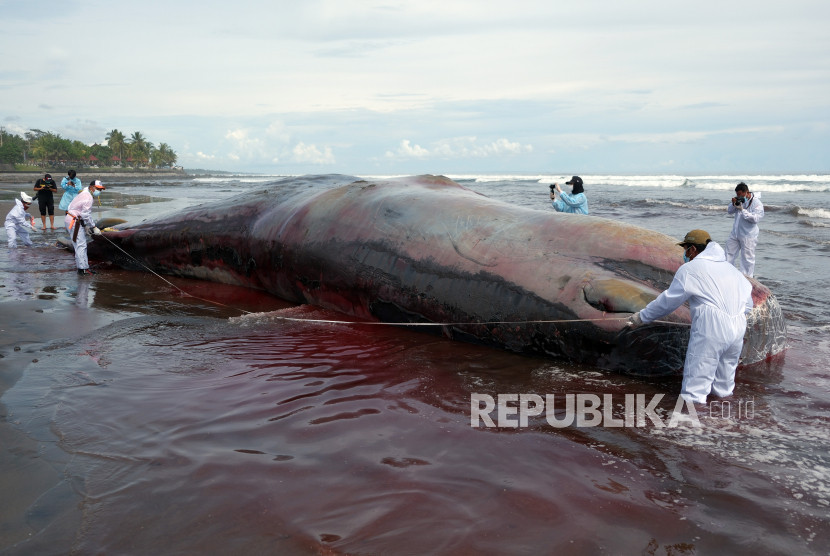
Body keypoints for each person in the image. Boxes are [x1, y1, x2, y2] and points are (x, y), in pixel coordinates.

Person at [627, 229, 753, 405]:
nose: (685, 254)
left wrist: (641, 317)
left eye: (685, 249)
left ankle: (691, 429)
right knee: (724, 385)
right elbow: (748, 305)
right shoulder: (733, 271)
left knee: (696, 388)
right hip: (738, 327)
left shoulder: (690, 269)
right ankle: (725, 426)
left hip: (712, 328)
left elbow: (668, 301)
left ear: (692, 249)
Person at [65, 180, 105, 275]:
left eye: (100, 189)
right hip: (74, 221)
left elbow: (76, 209)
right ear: (92, 187)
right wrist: (93, 226)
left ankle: (81, 267)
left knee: (78, 245)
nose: (99, 191)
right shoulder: (88, 197)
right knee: (81, 246)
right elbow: (85, 214)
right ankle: (83, 269)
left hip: (70, 218)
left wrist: (85, 225)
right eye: (97, 189)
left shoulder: (84, 192)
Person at [726, 181, 764, 277]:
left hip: (748, 235)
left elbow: (756, 219)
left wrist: (742, 210)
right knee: (728, 254)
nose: (739, 197)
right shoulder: (739, 201)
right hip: (735, 233)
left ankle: (747, 279)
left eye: (740, 195)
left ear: (746, 192)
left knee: (747, 259)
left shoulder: (756, 203)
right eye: (737, 195)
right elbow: (729, 211)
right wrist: (734, 203)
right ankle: (727, 275)